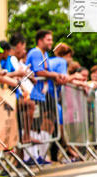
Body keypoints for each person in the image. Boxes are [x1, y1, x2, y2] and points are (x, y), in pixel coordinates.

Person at [25, 30, 67, 164]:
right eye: (48, 39)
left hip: (42, 95)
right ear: (40, 40)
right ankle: (30, 157)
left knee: (44, 123)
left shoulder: (45, 54)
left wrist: (55, 75)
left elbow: (46, 71)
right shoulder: (36, 52)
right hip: (33, 94)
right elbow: (39, 71)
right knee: (33, 125)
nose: (51, 42)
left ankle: (39, 156)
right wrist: (55, 75)